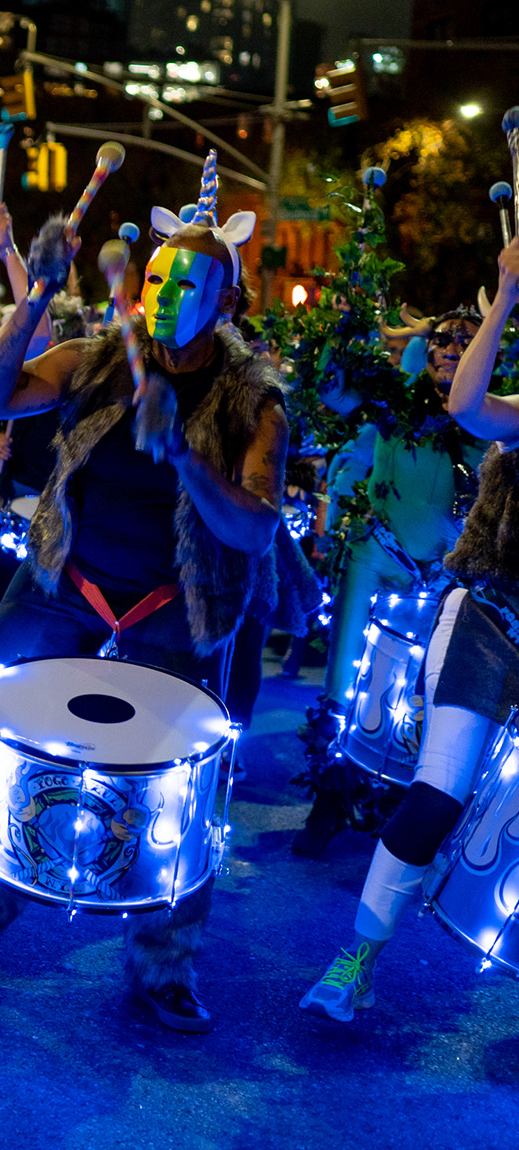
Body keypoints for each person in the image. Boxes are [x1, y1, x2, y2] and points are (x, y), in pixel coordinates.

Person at [0, 161, 316, 1033]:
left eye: (188, 281)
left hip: (177, 611)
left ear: (225, 303)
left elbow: (255, 531)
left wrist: (184, 454)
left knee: (186, 789)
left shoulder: (253, 400)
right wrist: (37, 296)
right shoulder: (95, 358)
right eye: (155, 275)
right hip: (62, 589)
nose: (165, 291)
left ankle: (164, 966)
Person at [300, 241, 519, 1021]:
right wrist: (506, 295)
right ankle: (356, 961)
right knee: (438, 792)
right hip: (489, 619)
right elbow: (464, 407)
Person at [293, 308, 486, 856]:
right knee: (343, 685)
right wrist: (347, 316)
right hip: (376, 560)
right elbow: (331, 390)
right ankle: (329, 800)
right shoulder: (394, 402)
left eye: (467, 340)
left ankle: (400, 807)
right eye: (444, 338)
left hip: (448, 577)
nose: (452, 347)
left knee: (425, 701)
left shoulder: (486, 415)